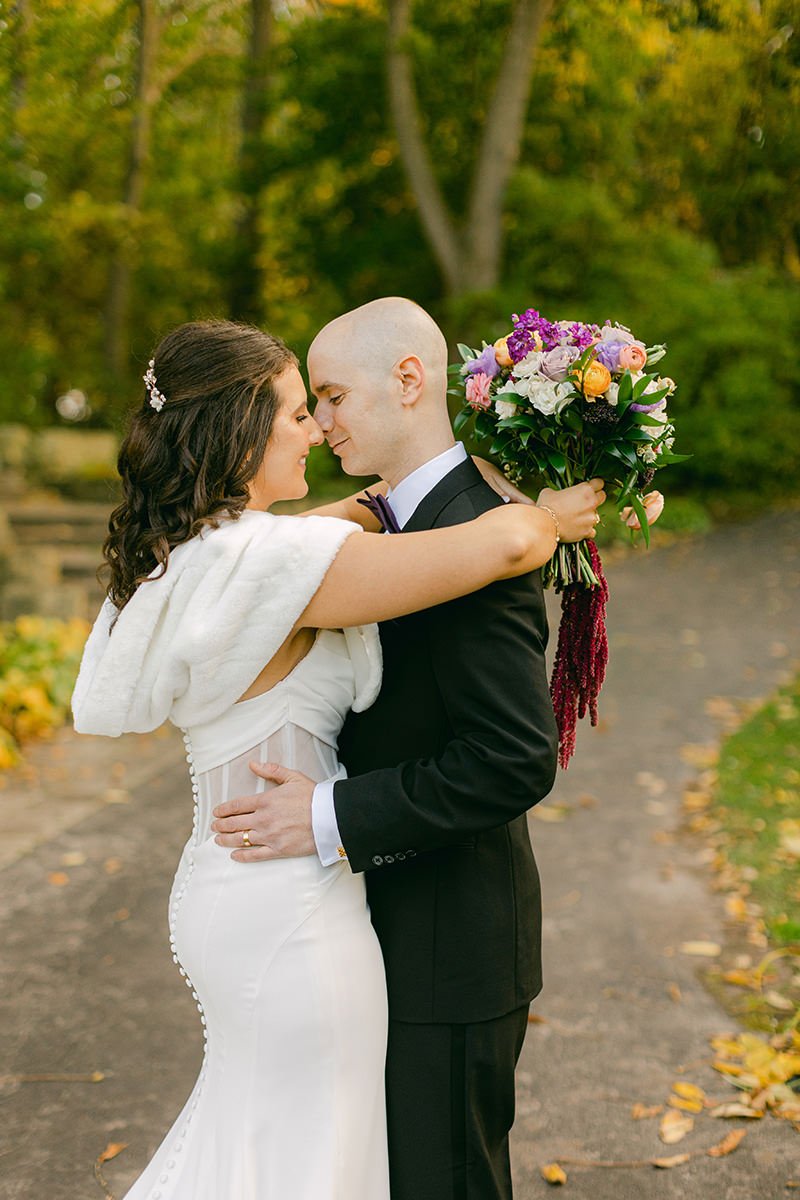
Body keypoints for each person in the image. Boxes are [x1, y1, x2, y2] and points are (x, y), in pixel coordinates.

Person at [70, 317, 602, 1200]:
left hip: (233, 886)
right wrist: (547, 516)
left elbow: (310, 544)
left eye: (326, 400)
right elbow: (506, 545)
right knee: (306, 1160)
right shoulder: (280, 562)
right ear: (239, 428)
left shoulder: (194, 561)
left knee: (261, 1145)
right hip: (288, 903)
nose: (316, 426)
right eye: (296, 410)